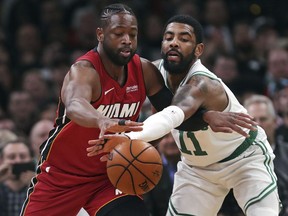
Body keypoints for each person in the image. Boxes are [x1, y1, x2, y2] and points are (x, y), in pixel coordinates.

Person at [20, 4, 255, 215]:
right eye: (118, 34)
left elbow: (172, 113)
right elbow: (74, 105)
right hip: (62, 177)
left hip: (111, 173)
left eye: (132, 34)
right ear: (100, 34)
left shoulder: (144, 70)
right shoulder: (84, 70)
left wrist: (206, 117)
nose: (127, 40)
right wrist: (101, 120)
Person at [89, 15, 281, 215]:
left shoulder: (202, 83)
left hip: (244, 159)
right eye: (169, 37)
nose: (174, 42)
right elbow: (157, 116)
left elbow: (171, 115)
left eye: (184, 38)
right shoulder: (153, 72)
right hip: (197, 169)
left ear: (198, 50)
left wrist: (129, 137)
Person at [143, 133, 180, 216]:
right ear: (156, 142)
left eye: (174, 136)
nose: (171, 140)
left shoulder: (195, 167)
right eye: (166, 137)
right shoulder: (148, 172)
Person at [0, 139, 35, 216]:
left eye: (22, 156)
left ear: (31, 159)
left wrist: (35, 187)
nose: (18, 160)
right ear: (2, 161)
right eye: (11, 157)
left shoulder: (40, 187)